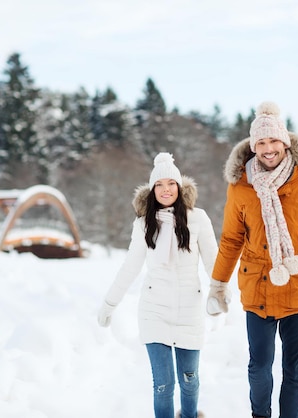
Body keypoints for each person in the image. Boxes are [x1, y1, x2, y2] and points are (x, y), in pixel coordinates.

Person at [206, 101, 298, 418]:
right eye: (261, 143)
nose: (268, 149)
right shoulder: (241, 186)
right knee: (258, 369)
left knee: (295, 372)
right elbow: (231, 239)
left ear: (285, 142)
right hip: (258, 291)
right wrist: (217, 285)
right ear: (253, 146)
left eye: (273, 141)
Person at [98, 152, 217, 418]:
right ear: (153, 190)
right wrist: (109, 303)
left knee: (189, 381)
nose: (166, 190)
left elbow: (213, 261)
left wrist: (220, 292)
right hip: (154, 312)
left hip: (189, 311)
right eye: (159, 185)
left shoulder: (198, 218)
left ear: (180, 187)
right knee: (163, 386)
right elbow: (130, 266)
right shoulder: (143, 224)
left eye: (171, 184)